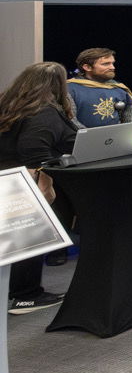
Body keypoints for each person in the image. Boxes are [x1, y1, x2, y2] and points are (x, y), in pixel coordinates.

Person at [0, 62, 76, 314]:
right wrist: (44, 180)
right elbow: (33, 148)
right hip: (23, 182)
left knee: (11, 241)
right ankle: (25, 296)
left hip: (7, 179)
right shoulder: (44, 111)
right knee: (28, 239)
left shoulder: (9, 104)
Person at [66, 47, 132, 128]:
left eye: (112, 63)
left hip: (116, 138)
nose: (112, 67)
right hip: (82, 139)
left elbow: (131, 121)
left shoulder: (119, 89)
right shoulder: (69, 89)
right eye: (106, 64)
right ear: (87, 67)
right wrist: (90, 136)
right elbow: (69, 120)